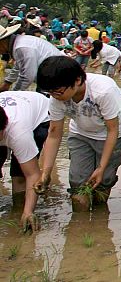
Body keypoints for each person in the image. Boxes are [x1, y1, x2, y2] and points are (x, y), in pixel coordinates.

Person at [35, 56, 121, 208]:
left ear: (78, 80)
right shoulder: (56, 98)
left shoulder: (103, 91)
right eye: (50, 92)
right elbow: (54, 134)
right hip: (81, 132)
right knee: (78, 183)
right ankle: (80, 225)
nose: (55, 97)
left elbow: (113, 130)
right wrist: (46, 172)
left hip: (112, 133)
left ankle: (100, 220)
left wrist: (101, 168)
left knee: (104, 180)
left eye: (58, 92)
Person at [0, 91, 51, 229]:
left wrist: (28, 212)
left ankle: (19, 209)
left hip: (40, 115)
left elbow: (32, 174)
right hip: (15, 104)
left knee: (20, 176)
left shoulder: (19, 133)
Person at [0, 23, 62, 92]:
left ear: (2, 42)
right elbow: (19, 65)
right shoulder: (20, 42)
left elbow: (27, 76)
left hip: (56, 78)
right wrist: (7, 82)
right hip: (51, 74)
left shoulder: (21, 47)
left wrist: (14, 94)